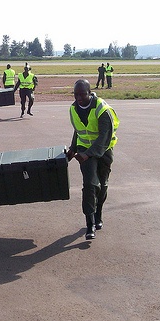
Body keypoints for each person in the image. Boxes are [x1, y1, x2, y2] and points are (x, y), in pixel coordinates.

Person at [66, 79, 119, 240]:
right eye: (76, 94)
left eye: (82, 94)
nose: (79, 98)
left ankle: (98, 214)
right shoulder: (74, 108)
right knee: (90, 184)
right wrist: (73, 149)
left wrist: (89, 153)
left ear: (90, 93)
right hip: (84, 152)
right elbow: (79, 131)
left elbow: (105, 136)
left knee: (102, 185)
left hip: (103, 151)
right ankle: (90, 224)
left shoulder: (102, 109)